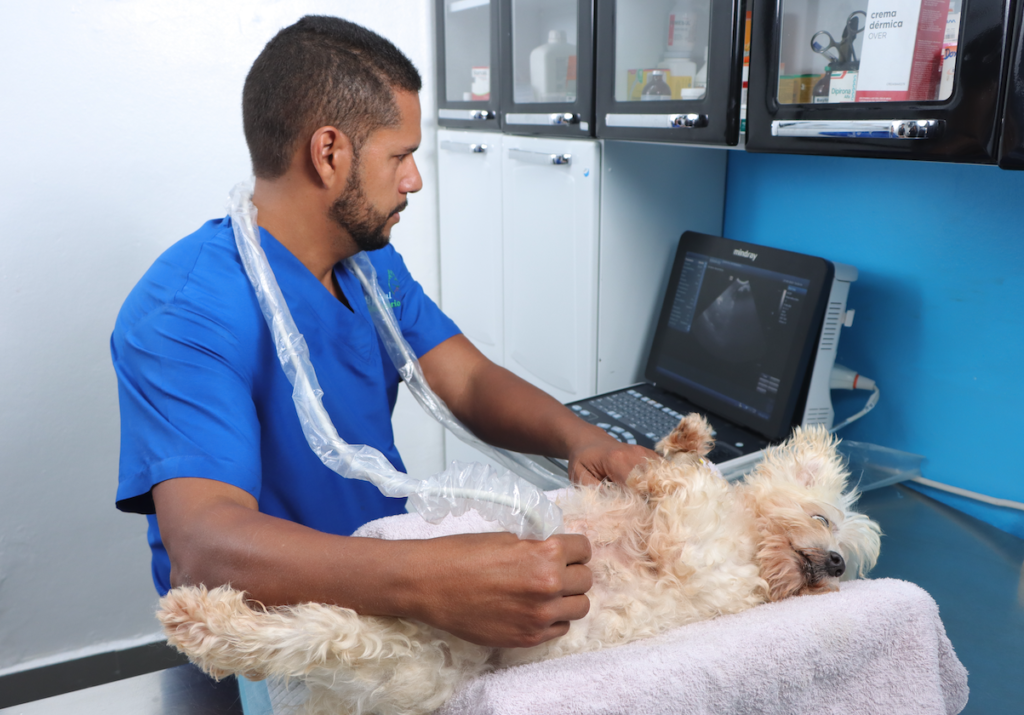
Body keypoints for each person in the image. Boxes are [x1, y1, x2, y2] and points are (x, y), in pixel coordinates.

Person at [112, 15, 656, 649]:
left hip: (392, 601)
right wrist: (433, 581)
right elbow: (206, 549)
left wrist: (583, 440)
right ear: (329, 152)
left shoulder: (368, 266)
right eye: (400, 155)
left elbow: (470, 380)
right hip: (284, 640)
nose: (414, 180)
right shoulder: (184, 313)